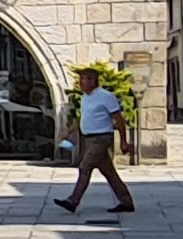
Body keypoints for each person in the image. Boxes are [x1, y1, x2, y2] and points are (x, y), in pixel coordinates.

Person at [52, 68, 135, 216]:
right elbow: (83, 118)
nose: (80, 83)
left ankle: (73, 201)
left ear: (92, 80)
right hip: (88, 139)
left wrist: (123, 141)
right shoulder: (85, 97)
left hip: (101, 138)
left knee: (85, 166)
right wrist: (68, 132)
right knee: (109, 172)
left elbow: (119, 119)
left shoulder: (106, 97)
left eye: (83, 79)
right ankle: (126, 201)